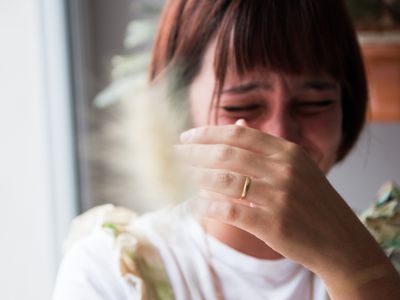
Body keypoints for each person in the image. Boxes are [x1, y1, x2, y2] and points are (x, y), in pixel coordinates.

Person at [53, 0, 400, 299]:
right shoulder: (112, 272)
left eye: (314, 103)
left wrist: (353, 264)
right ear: (179, 110)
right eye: (241, 105)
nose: (281, 136)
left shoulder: (386, 256)